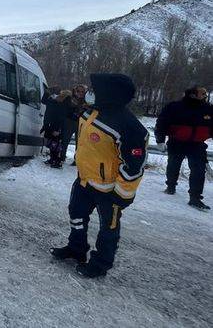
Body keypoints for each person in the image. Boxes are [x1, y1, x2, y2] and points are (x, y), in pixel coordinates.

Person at [51, 73, 148, 278]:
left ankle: (101, 263)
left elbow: (134, 165)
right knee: (76, 214)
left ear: (109, 93)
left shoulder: (130, 127)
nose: (89, 93)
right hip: (84, 180)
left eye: (95, 89)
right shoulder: (91, 112)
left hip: (109, 190)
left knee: (108, 229)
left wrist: (121, 195)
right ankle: (76, 249)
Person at [155, 86, 212, 210]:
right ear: (193, 95)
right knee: (173, 166)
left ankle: (195, 198)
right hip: (177, 142)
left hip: (197, 144)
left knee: (198, 171)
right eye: (202, 93)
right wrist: (160, 140)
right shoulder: (175, 107)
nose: (205, 95)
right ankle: (171, 186)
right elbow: (161, 123)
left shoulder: (208, 109)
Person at [59, 84, 88, 165]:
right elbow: (63, 109)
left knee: (79, 142)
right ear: (75, 91)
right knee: (65, 140)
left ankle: (77, 160)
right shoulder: (69, 98)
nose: (80, 93)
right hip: (69, 121)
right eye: (78, 91)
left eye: (82, 91)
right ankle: (62, 157)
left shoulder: (87, 101)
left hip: (81, 123)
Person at [42, 88, 71, 168]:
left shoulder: (64, 102)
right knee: (53, 143)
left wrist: (58, 129)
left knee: (56, 144)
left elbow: (62, 116)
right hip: (55, 124)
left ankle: (57, 161)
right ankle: (53, 159)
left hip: (58, 125)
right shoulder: (57, 101)